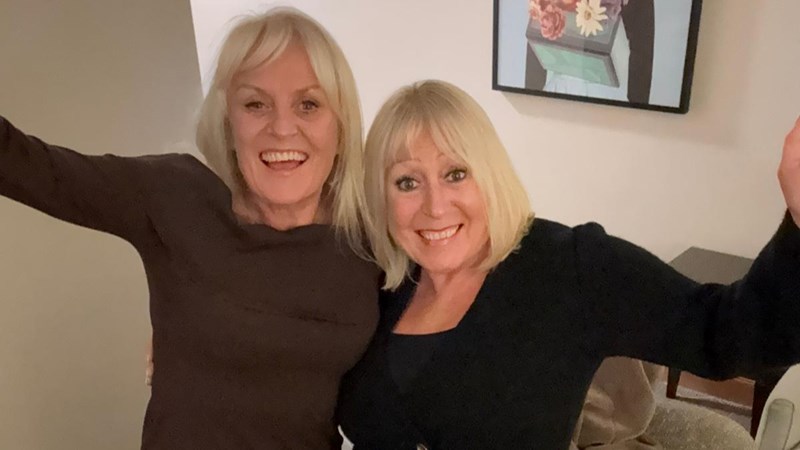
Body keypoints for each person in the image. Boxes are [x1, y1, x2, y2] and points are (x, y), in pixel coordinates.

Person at [336, 79, 800, 449]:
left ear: (490, 175)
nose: (435, 206)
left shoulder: (571, 267)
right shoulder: (373, 281)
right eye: (407, 182)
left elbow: (726, 336)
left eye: (456, 174)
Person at [1, 7, 380, 450]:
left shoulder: (371, 242)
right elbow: (27, 165)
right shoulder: (173, 195)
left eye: (308, 104)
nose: (282, 128)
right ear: (228, 121)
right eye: (255, 104)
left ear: (341, 124)